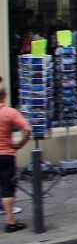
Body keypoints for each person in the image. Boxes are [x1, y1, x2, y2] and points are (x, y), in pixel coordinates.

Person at [0, 80, 31, 233]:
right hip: (6, 155)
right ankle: (10, 221)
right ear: (5, 96)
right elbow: (27, 129)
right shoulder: (10, 112)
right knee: (7, 188)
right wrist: (20, 145)